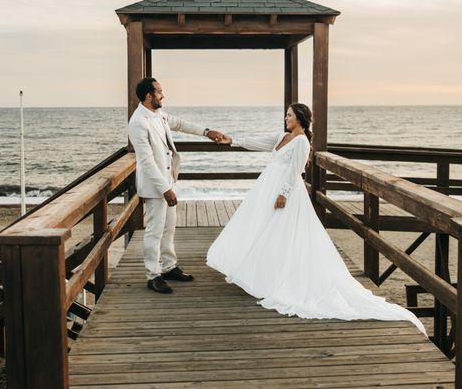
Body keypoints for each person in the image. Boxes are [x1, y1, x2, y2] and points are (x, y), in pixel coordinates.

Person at [206, 103, 427, 333]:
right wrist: (231, 139)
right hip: (268, 188)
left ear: (300, 118)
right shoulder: (284, 136)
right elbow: (258, 142)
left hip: (285, 192)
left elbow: (296, 170)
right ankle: (265, 271)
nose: (285, 118)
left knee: (279, 231)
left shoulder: (302, 142)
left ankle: (279, 277)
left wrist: (283, 193)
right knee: (265, 229)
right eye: (286, 115)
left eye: (289, 115)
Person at [128, 77, 228, 294]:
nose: (163, 95)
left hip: (168, 181)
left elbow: (181, 124)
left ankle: (169, 266)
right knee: (154, 231)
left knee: (169, 228)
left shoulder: (159, 114)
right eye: (160, 92)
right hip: (156, 187)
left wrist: (207, 132)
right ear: (148, 96)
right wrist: (165, 189)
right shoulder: (138, 122)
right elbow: (146, 162)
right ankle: (153, 275)